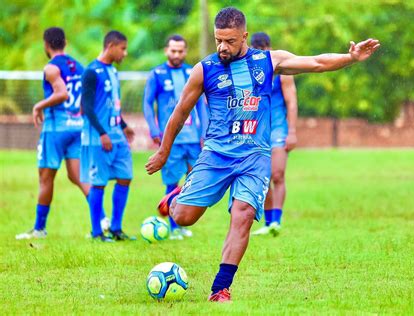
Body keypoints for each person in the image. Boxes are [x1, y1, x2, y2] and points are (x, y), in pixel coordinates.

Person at [145, 7, 380, 302]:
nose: (222, 47)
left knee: (242, 216)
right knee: (183, 217)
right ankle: (177, 197)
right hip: (216, 154)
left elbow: (317, 62)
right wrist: (164, 152)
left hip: (254, 157)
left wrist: (350, 58)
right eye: (218, 40)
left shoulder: (267, 61)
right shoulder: (204, 70)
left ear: (244, 36)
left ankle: (220, 288)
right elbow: (180, 112)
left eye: (229, 41)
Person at [16, 27, 89, 240]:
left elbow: (62, 93)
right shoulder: (79, 67)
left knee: (46, 178)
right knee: (78, 175)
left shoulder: (51, 68)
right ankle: (100, 219)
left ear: (46, 44)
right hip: (77, 126)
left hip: (56, 128)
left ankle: (39, 229)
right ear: (65, 42)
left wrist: (39, 105)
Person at [143, 34, 208, 240]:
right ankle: (172, 228)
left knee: (194, 181)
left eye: (180, 51)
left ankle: (182, 223)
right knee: (171, 182)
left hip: (193, 139)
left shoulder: (193, 72)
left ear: (185, 51)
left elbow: (201, 105)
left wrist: (204, 132)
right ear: (166, 51)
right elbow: (147, 103)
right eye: (173, 50)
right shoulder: (157, 74)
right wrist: (154, 130)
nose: (177, 54)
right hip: (171, 141)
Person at [80, 31, 135, 242]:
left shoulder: (112, 71)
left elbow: (111, 106)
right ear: (111, 46)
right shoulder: (91, 72)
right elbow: (87, 107)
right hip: (98, 138)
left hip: (117, 135)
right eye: (122, 48)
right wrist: (102, 133)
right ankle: (96, 232)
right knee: (99, 182)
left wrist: (124, 125)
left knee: (125, 177)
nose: (125, 53)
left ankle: (116, 228)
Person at [250, 32, 298, 237]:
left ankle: (277, 221)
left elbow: (292, 101)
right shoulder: (248, 71)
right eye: (257, 49)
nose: (262, 52)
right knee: (264, 177)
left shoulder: (282, 72)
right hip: (256, 131)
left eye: (264, 48)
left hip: (278, 128)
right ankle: (269, 222)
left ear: (270, 48)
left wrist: (292, 131)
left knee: (277, 173)